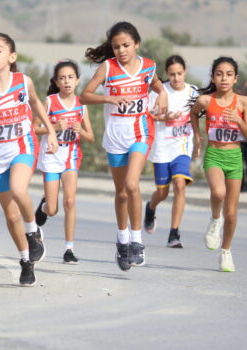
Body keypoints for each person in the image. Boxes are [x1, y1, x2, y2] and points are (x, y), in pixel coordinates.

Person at [0, 32, 59, 286]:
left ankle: (33, 233)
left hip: (23, 146)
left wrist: (51, 131)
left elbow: (37, 105)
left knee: (20, 190)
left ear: (12, 57)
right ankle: (25, 261)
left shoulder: (22, 81)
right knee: (10, 217)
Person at [80, 21, 167, 271]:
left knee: (132, 184)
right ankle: (122, 239)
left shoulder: (147, 66)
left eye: (126, 45)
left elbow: (158, 86)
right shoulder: (108, 67)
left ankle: (137, 241)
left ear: (136, 44)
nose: (121, 50)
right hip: (116, 134)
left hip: (140, 130)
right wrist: (109, 97)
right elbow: (84, 95)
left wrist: (162, 95)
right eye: (116, 46)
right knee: (121, 193)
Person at [189, 56, 247, 272]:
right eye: (219, 74)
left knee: (233, 213)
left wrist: (239, 119)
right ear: (213, 77)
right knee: (218, 193)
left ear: (235, 78)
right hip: (214, 154)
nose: (223, 78)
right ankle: (215, 220)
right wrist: (197, 137)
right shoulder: (207, 101)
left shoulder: (244, 103)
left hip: (234, 158)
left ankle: (225, 252)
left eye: (228, 74)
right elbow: (193, 113)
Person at [34, 60, 94, 264]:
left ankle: (69, 249)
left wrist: (81, 130)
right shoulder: (50, 102)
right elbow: (34, 128)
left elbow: (91, 137)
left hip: (71, 157)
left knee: (70, 201)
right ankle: (43, 208)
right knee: (53, 209)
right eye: (62, 78)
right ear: (56, 81)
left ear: (77, 80)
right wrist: (54, 127)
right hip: (51, 157)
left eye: (70, 77)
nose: (66, 81)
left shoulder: (81, 104)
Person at [143, 55, 199, 248]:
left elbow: (199, 116)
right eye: (172, 74)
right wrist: (163, 118)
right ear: (167, 74)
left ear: (185, 72)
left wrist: (199, 140)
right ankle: (150, 208)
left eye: (180, 74)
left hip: (182, 146)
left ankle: (174, 233)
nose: (176, 78)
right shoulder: (159, 91)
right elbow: (148, 115)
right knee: (162, 192)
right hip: (161, 148)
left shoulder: (193, 92)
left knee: (179, 184)